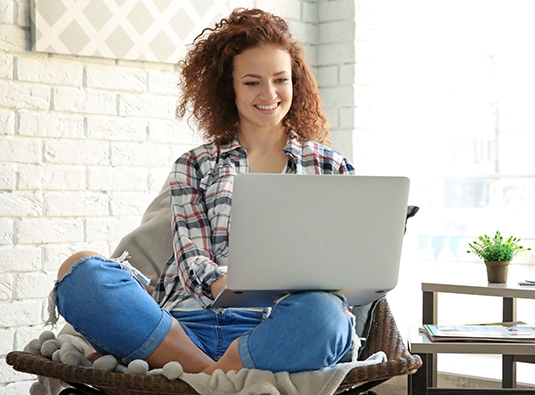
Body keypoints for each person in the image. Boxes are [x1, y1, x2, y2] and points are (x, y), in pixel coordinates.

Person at [53, 8, 356, 375]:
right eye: (252, 82)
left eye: (281, 79)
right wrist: (227, 283)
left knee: (327, 316)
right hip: (183, 327)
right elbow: (192, 258)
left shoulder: (331, 167)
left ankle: (204, 378)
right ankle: (218, 376)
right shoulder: (194, 164)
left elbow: (342, 269)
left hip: (277, 329)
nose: (269, 93)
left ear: (296, 81)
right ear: (229, 87)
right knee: (80, 271)